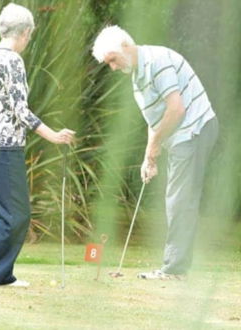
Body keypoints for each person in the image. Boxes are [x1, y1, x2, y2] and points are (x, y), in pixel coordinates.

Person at [0, 3, 75, 289]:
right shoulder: (12, 60)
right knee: (17, 214)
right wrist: (53, 135)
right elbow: (21, 109)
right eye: (29, 35)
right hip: (4, 147)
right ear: (25, 32)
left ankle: (1, 273)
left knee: (0, 212)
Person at [92, 26, 218, 280]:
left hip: (195, 128)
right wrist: (149, 158)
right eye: (108, 64)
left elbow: (176, 110)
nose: (113, 68)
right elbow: (155, 122)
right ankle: (176, 267)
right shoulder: (138, 77)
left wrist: (154, 146)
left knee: (180, 200)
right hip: (182, 135)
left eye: (113, 60)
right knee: (178, 198)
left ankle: (174, 270)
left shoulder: (157, 62)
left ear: (126, 46)